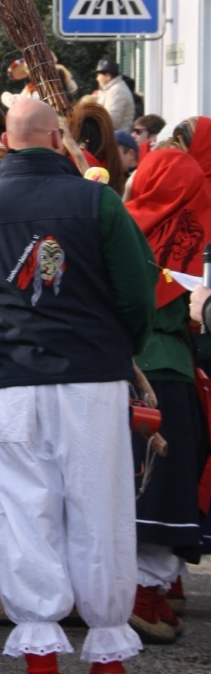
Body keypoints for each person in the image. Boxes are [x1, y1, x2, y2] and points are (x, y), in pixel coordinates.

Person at [0, 97, 156, 674]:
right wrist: (123, 347)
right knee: (101, 511)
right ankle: (106, 661)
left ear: (12, 143)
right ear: (55, 138)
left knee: (25, 516)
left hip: (17, 380)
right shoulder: (97, 201)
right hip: (92, 377)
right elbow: (136, 289)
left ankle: (42, 666)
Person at [125, 148, 211, 643]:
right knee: (165, 484)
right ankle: (143, 593)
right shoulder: (188, 233)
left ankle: (150, 591)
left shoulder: (121, 224)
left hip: (123, 368)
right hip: (167, 372)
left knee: (140, 482)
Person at [93, 59, 135, 131]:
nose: (97, 79)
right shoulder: (109, 90)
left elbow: (111, 121)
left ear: (108, 76)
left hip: (116, 138)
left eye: (99, 75)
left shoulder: (117, 91)